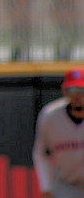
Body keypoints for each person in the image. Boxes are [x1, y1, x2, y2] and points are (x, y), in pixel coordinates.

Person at [33, 68, 84, 198]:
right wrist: (46, 187)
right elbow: (41, 153)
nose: (77, 95)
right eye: (72, 90)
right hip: (66, 184)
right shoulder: (50, 116)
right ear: (64, 91)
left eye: (82, 90)